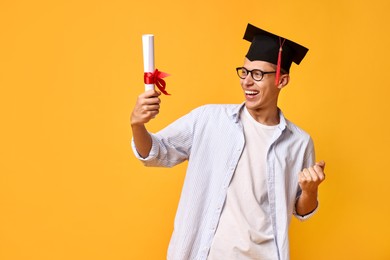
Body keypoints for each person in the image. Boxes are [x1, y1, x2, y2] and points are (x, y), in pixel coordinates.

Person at [131, 23, 326, 260]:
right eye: (244, 72)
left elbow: (301, 209)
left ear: (282, 80)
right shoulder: (208, 119)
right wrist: (137, 125)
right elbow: (155, 152)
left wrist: (310, 190)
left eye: (258, 74)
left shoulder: (299, 142)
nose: (247, 82)